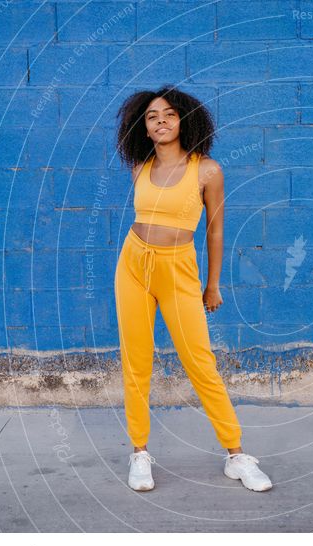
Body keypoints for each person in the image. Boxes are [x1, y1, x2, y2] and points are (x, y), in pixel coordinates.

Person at [113, 86, 271, 493]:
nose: (161, 120)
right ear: (143, 129)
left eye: (169, 114)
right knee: (136, 361)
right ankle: (139, 453)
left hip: (178, 269)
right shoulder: (139, 168)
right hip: (132, 264)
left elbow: (216, 230)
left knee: (201, 363)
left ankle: (236, 455)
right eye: (152, 116)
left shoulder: (207, 171)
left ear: (184, 120)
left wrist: (212, 284)